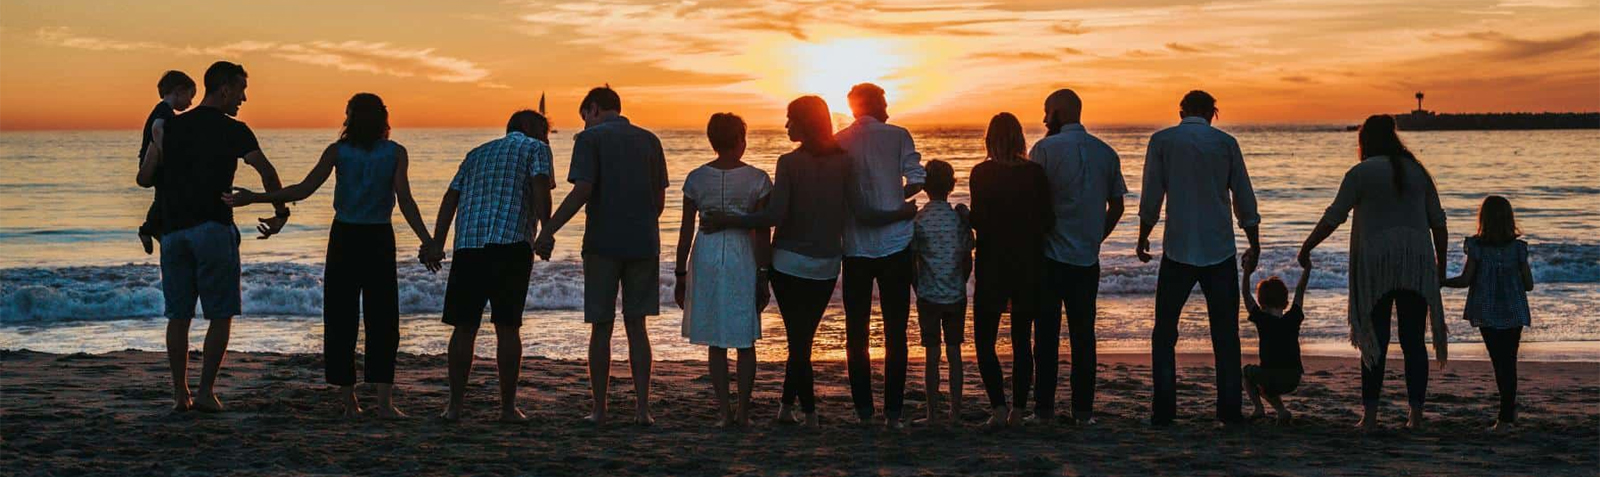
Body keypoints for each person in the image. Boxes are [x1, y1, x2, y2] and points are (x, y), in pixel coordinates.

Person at [223, 93, 435, 419]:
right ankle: (384, 404)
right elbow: (405, 201)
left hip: (345, 238)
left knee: (340, 318)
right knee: (383, 320)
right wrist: (427, 240)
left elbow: (303, 189)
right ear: (382, 118)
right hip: (378, 238)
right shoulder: (395, 152)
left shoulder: (339, 151)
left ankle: (350, 402)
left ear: (351, 118)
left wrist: (257, 198)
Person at [136, 61, 292, 413]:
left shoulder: (170, 126)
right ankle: (205, 392)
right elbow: (267, 171)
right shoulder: (234, 130)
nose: (243, 98)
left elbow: (146, 177)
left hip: (173, 233)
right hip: (213, 229)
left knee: (178, 317)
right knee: (220, 314)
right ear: (224, 89)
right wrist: (280, 212)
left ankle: (181, 394)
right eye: (240, 90)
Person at [703, 95, 855, 428]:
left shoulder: (788, 163)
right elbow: (858, 209)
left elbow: (773, 216)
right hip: (827, 264)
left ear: (806, 123)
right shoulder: (845, 161)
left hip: (788, 263)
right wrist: (901, 208)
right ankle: (787, 408)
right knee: (802, 339)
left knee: (799, 341)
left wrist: (729, 219)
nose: (786, 125)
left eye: (791, 119)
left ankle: (810, 414)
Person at [1298, 114, 1448, 432]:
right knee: (1413, 342)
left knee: (1374, 339)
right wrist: (1441, 265)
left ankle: (1370, 417)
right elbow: (1438, 222)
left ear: (1365, 140)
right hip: (1415, 262)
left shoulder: (1361, 173)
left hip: (1375, 266)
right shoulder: (1418, 171)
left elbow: (1334, 216)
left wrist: (1308, 246)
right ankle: (1416, 416)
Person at [533, 86, 669, 426]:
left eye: (584, 117)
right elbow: (659, 202)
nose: (584, 124)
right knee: (637, 326)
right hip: (644, 243)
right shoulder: (650, 140)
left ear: (593, 109)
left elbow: (582, 190)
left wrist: (548, 230)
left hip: (602, 243)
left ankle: (600, 409)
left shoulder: (589, 140)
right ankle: (642, 410)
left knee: (601, 326)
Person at [1136, 90, 1260, 426]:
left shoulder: (1162, 141)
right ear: (1212, 113)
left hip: (1177, 249)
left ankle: (1164, 411)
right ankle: (1229, 411)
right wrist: (1254, 241)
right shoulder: (1226, 143)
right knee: (1226, 335)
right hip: (1219, 249)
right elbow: (1244, 198)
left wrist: (1143, 235)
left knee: (1165, 334)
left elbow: (1152, 195)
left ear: (1181, 112)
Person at [422, 110, 555, 422]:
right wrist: (546, 230)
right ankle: (507, 409)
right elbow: (539, 185)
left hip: (468, 245)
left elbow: (450, 198)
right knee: (507, 328)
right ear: (530, 128)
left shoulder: (476, 153)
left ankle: (454, 407)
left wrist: (437, 242)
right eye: (545, 132)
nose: (547, 138)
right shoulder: (536, 148)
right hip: (511, 244)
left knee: (464, 328)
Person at [1028, 88, 1126, 425]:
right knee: (1084, 337)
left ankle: (1044, 410)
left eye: (1047, 111)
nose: (1044, 119)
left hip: (1050, 257)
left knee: (1046, 337)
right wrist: (1096, 237)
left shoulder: (1043, 149)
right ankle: (1083, 411)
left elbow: (1032, 203)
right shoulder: (1106, 152)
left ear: (1059, 112)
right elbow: (1117, 206)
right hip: (1086, 258)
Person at [673, 113, 772, 428]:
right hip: (743, 255)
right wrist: (764, 274)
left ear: (712, 141)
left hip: (707, 255)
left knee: (716, 340)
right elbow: (763, 231)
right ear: (740, 140)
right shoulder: (758, 179)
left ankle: (724, 414)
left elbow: (685, 233)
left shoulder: (696, 179)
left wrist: (680, 275)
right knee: (745, 338)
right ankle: (743, 413)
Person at [834, 83, 924, 429]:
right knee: (895, 332)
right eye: (884, 101)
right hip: (895, 244)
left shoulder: (840, 141)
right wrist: (895, 196)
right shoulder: (899, 135)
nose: (888, 108)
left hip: (855, 247)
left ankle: (864, 412)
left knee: (855, 331)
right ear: (875, 104)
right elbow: (917, 179)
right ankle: (894, 413)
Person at [968, 112, 1054, 428]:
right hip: (1029, 263)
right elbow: (1048, 220)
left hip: (992, 264)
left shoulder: (981, 173)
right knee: (1021, 340)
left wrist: (964, 217)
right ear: (1020, 139)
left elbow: (980, 220)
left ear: (990, 140)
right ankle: (1018, 410)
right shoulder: (1035, 173)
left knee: (985, 340)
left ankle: (998, 408)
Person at [1443, 195, 1532, 432]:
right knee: (1509, 361)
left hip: (1486, 309)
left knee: (1498, 361)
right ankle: (1508, 411)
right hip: (1513, 309)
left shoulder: (1477, 247)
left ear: (1483, 219)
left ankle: (1505, 417)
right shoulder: (1519, 249)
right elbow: (1529, 284)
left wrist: (1441, 282)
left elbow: (1465, 280)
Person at [909, 159, 972, 426]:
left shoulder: (919, 219)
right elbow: (967, 257)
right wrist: (961, 281)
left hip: (928, 295)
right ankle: (955, 413)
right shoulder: (958, 219)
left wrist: (918, 287)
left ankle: (932, 414)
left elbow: (912, 261)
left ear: (925, 187)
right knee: (955, 353)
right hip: (956, 294)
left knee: (932, 355)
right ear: (952, 186)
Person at [136, 71, 196, 255]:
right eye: (190, 96)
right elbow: (157, 129)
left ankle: (152, 228)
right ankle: (148, 229)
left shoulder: (163, 110)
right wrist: (166, 153)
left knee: (162, 196)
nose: (191, 102)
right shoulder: (164, 110)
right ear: (179, 91)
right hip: (154, 161)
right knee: (164, 196)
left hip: (154, 161)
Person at [1241, 263, 1309, 425]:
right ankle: (1282, 412)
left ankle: (1259, 408)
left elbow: (1245, 294)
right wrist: (1307, 268)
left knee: (1247, 373)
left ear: (1262, 303)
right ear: (1285, 301)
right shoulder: (1293, 317)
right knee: (1265, 382)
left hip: (1271, 377)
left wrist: (1247, 271)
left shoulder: (1262, 320)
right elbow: (1300, 290)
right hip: (1293, 378)